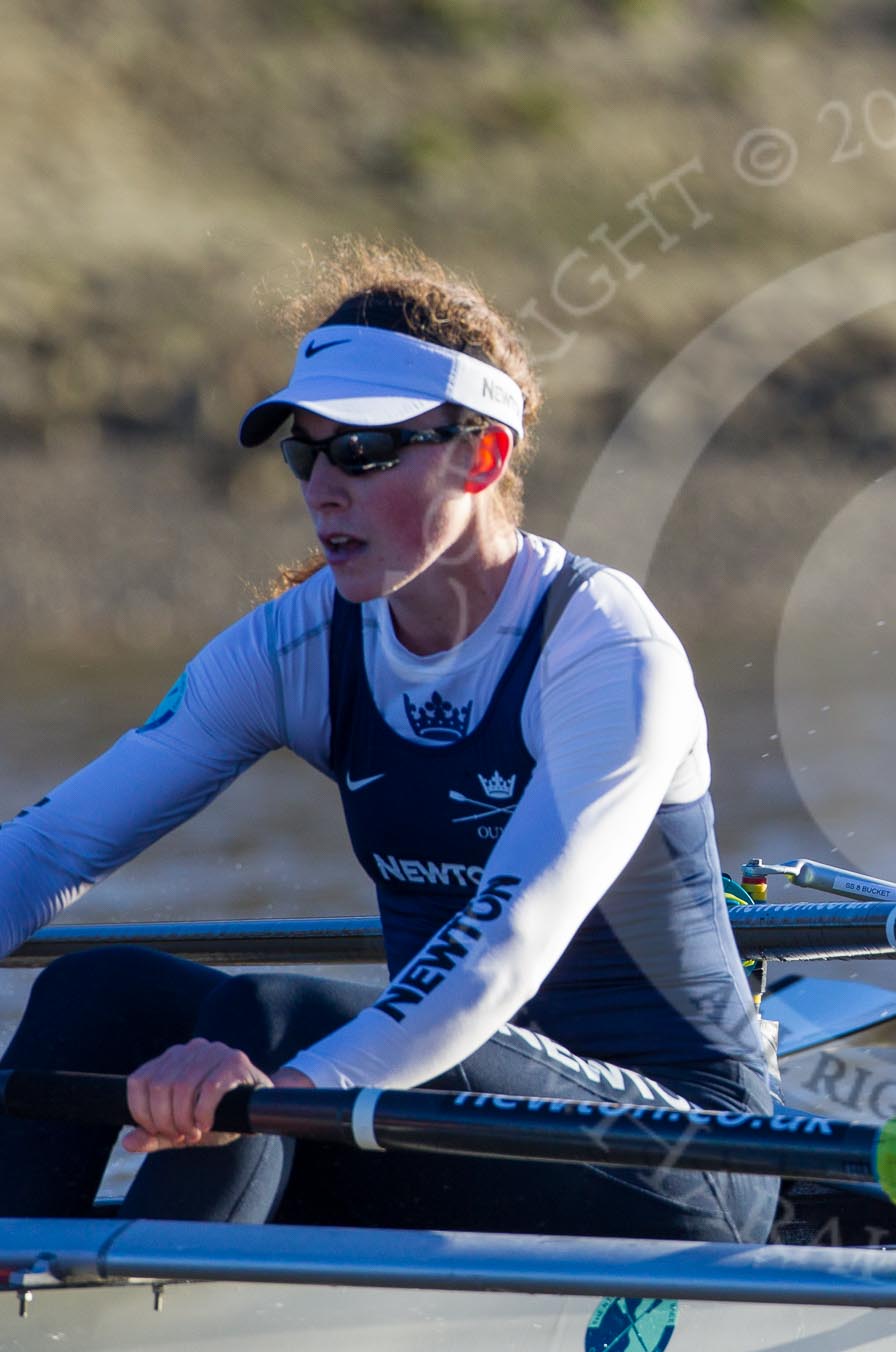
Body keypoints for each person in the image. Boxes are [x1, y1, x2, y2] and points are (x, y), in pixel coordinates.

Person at [0, 243, 776, 1242]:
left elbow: (500, 955)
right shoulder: (298, 643)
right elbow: (52, 847)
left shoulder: (601, 647)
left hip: (679, 1155)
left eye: (364, 450)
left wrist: (286, 1083)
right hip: (425, 1116)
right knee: (91, 992)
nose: (324, 488)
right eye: (305, 451)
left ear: (481, 455)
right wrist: (291, 1090)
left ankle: (150, 1300)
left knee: (267, 1016)